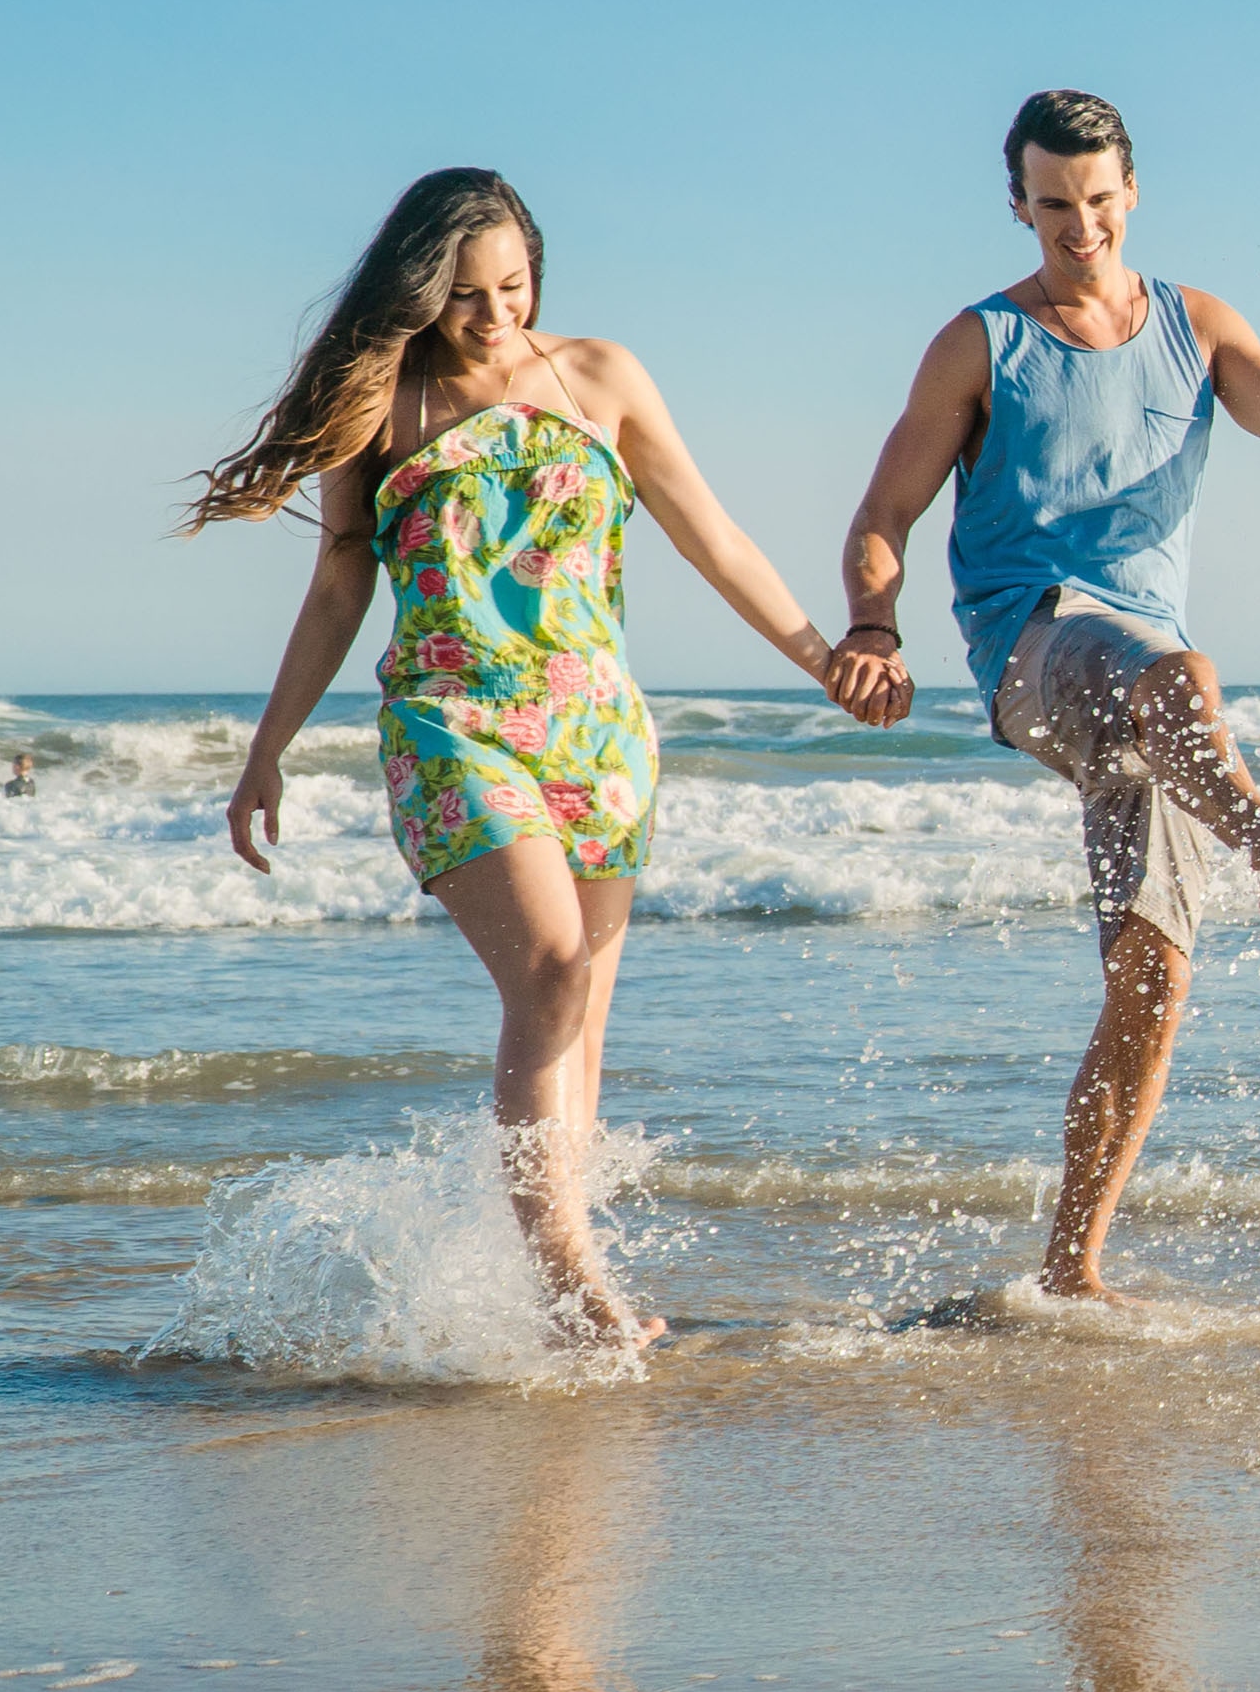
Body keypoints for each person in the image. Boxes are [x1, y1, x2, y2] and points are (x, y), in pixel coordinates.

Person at [825, 89, 1260, 1302]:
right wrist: (874, 625)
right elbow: (883, 515)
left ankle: (1070, 1271)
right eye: (1052, 208)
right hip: (1033, 649)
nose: (1078, 229)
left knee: (1153, 979)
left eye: (1097, 202)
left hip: (1156, 710)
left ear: (1130, 194)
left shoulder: (1193, 324)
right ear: (1018, 206)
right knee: (1178, 674)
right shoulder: (980, 342)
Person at [194, 168, 847, 1350]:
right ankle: (569, 1286)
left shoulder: (602, 376)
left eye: (514, 287)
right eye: (465, 295)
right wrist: (266, 752)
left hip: (598, 734)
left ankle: (558, 1277)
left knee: (583, 1015)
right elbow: (342, 577)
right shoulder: (380, 402)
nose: (493, 316)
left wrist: (826, 659)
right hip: (452, 725)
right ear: (420, 290)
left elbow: (719, 537)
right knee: (549, 973)